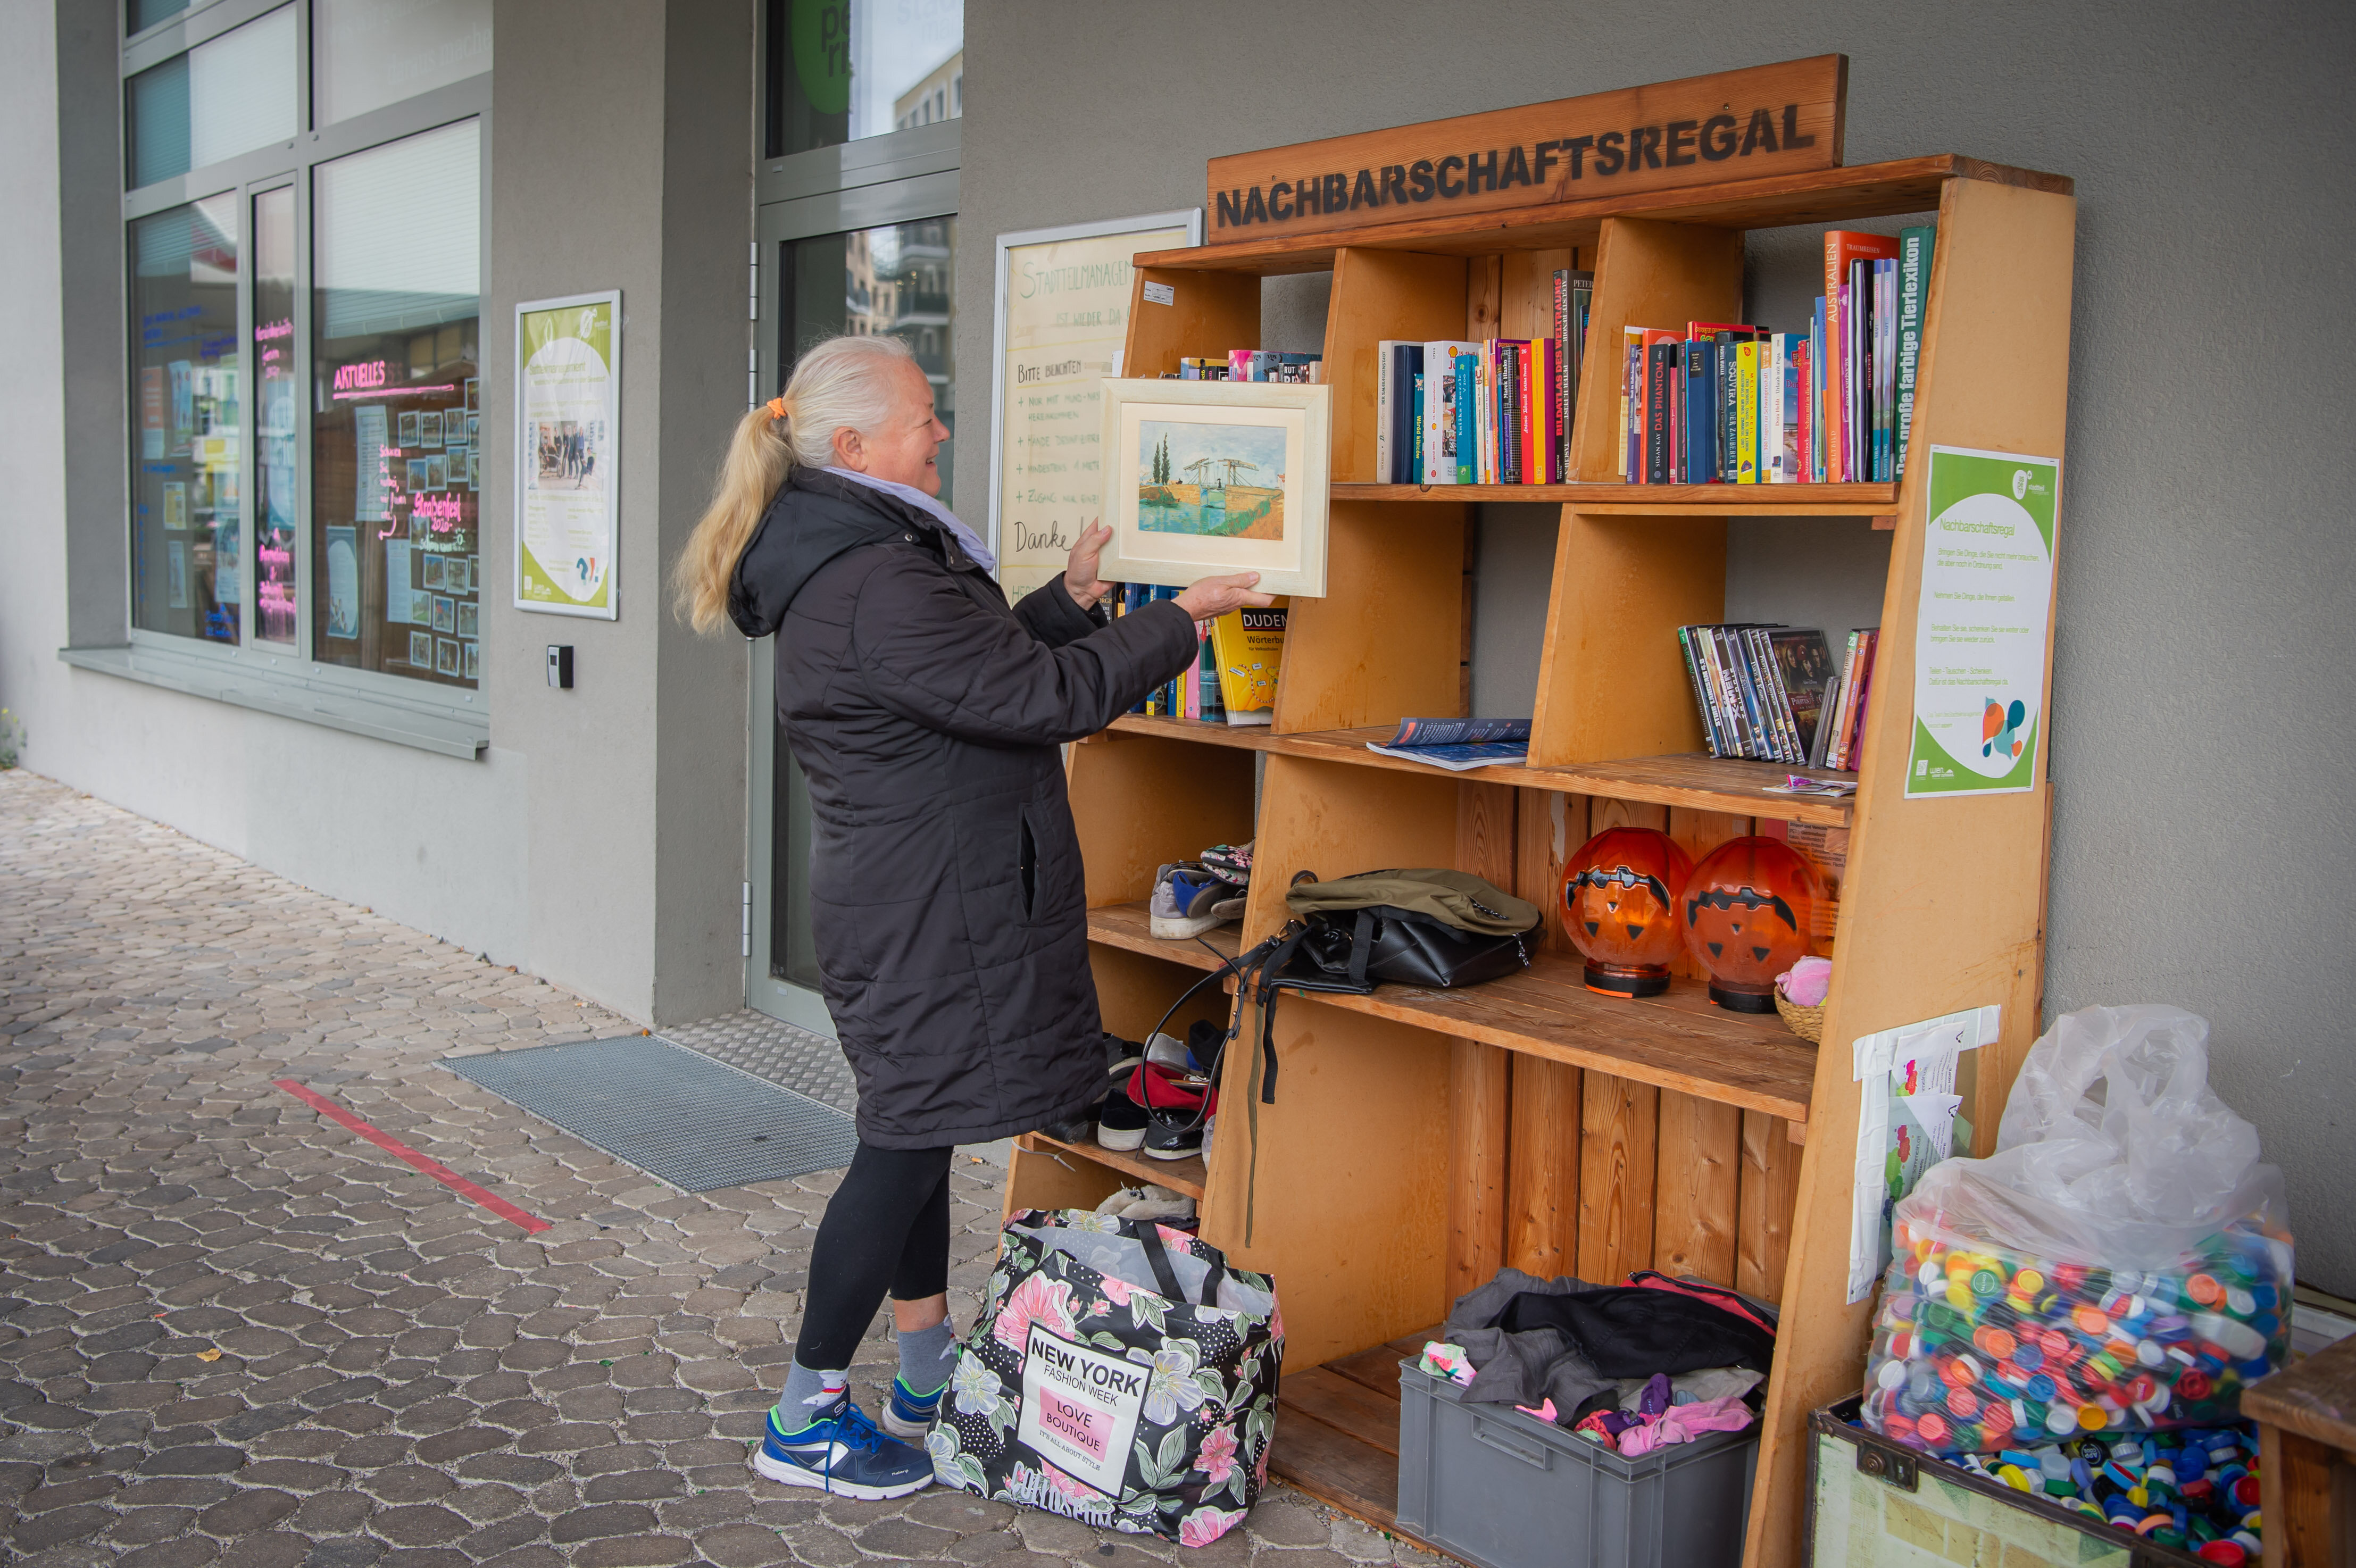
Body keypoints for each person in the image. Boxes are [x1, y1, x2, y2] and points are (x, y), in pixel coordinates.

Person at [673, 333, 1270, 1499]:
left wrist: (1073, 599)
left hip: (920, 899)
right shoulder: (876, 573)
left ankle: (922, 1375)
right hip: (927, 913)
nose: (939, 431)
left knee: (919, 1127)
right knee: (898, 1149)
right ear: (853, 446)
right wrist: (1178, 620)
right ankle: (803, 1418)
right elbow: (1038, 698)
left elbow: (972, 672)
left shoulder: (869, 550)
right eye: (923, 416)